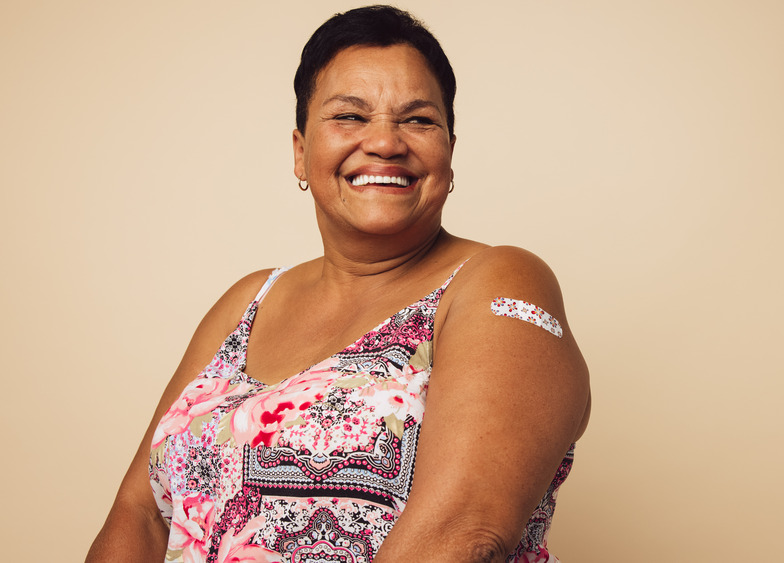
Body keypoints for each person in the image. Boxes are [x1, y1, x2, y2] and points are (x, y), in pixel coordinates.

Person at [87, 5, 590, 563]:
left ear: (450, 148)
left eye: (419, 120)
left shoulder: (499, 282)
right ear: (301, 153)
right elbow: (137, 514)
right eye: (350, 116)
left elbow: (462, 536)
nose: (385, 143)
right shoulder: (248, 300)